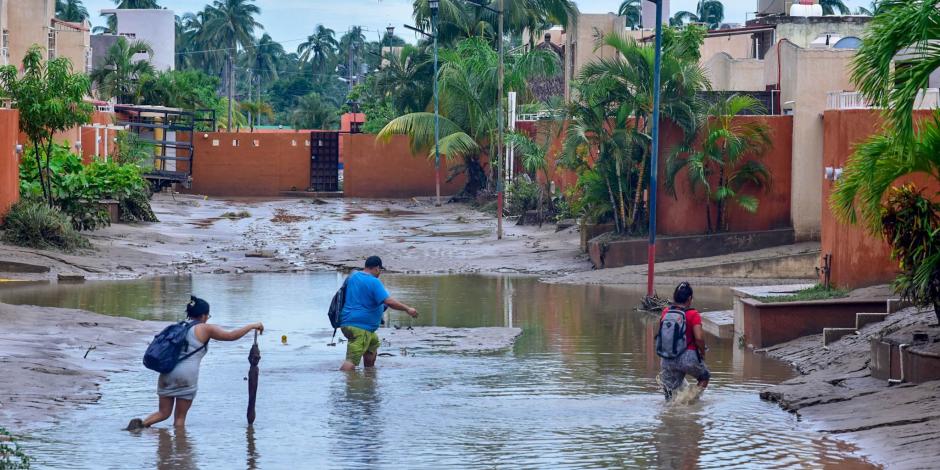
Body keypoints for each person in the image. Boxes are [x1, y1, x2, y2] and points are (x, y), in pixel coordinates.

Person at [127, 296, 264, 429]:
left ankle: (141, 425)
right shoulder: (204, 329)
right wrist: (252, 325)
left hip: (166, 374)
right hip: (186, 377)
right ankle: (181, 450)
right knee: (179, 419)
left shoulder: (178, 327)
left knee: (163, 413)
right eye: (207, 316)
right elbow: (231, 336)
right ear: (204, 315)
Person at [339, 256, 418, 371]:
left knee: (373, 344)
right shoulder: (374, 281)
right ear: (376, 268)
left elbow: (361, 298)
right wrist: (407, 309)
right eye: (380, 270)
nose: (380, 273)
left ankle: (369, 375)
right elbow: (389, 301)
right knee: (351, 361)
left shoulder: (353, 277)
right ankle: (341, 384)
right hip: (360, 328)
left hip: (348, 324)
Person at [659, 282, 710, 401]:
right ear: (689, 298)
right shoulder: (693, 314)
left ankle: (671, 410)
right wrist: (702, 352)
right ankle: (689, 402)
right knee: (704, 377)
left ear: (674, 297)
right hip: (689, 358)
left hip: (667, 358)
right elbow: (699, 338)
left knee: (669, 392)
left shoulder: (666, 312)